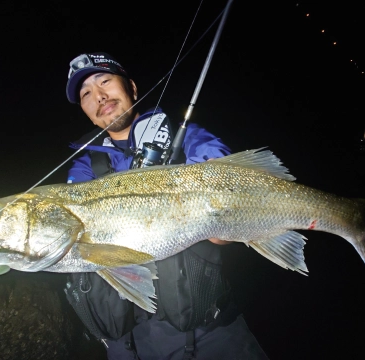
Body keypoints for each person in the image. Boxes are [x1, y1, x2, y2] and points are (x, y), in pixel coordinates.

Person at [63, 52, 269, 360]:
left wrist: (229, 212)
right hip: (126, 346)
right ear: (86, 112)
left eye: (105, 81)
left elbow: (221, 172)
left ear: (132, 87)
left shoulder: (188, 139)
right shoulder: (83, 168)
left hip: (209, 337)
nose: (99, 96)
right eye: (86, 94)